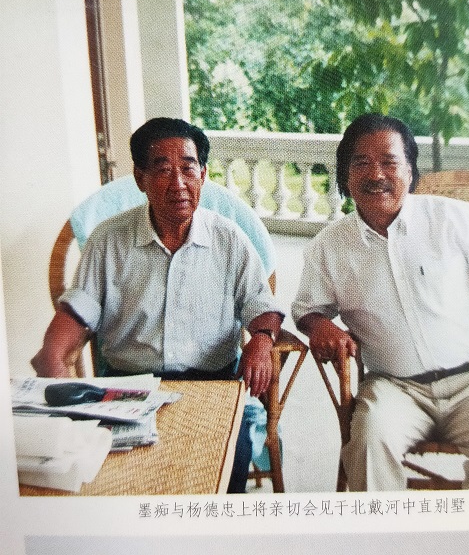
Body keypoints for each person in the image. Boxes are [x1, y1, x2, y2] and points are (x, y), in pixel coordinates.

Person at [292, 113, 469, 491]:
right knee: (367, 445)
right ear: (345, 176)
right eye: (361, 162)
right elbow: (307, 308)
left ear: (410, 172)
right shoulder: (328, 246)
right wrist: (320, 325)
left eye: (389, 162)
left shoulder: (452, 218)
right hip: (394, 387)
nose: (376, 174)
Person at [32, 117, 284, 493]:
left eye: (188, 168)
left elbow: (260, 304)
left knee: (218, 482)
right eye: (163, 170)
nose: (178, 183)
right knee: (118, 486)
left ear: (203, 174)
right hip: (127, 389)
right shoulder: (108, 240)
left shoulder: (229, 238)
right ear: (140, 178)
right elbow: (75, 313)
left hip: (211, 387)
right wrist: (53, 356)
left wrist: (262, 339)